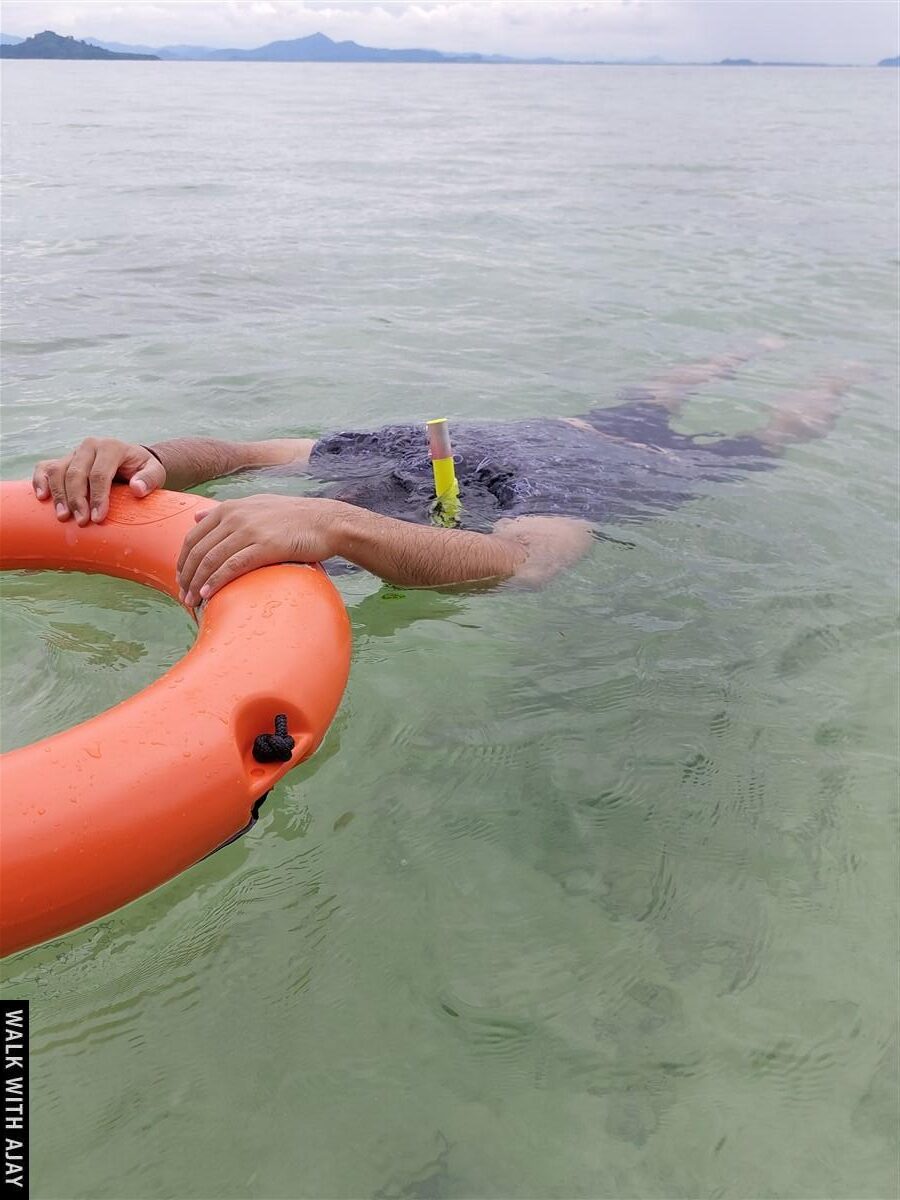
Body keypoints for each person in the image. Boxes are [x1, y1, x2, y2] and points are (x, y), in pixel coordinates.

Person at [31, 341, 851, 601]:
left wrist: (335, 524)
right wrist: (154, 458)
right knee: (659, 394)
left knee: (777, 431)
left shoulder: (543, 505)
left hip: (640, 462)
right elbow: (244, 453)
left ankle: (841, 372)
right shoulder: (376, 457)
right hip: (576, 431)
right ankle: (757, 358)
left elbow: (527, 564)